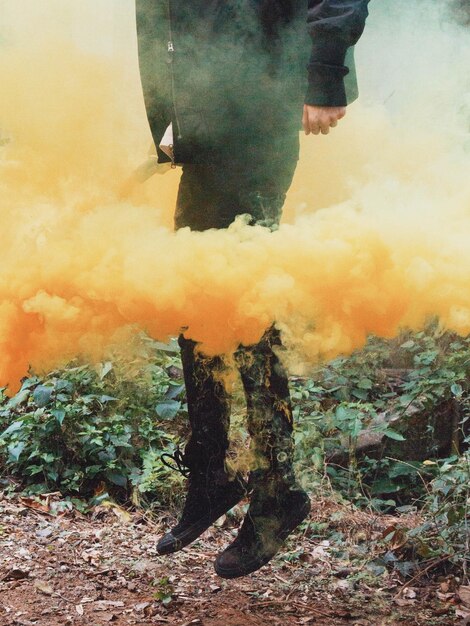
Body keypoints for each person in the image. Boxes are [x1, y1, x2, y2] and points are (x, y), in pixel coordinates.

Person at [135, 0, 369, 579]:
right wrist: (167, 123)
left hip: (261, 106)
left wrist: (323, 74)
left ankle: (276, 490)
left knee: (244, 303)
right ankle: (211, 468)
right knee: (197, 296)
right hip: (205, 120)